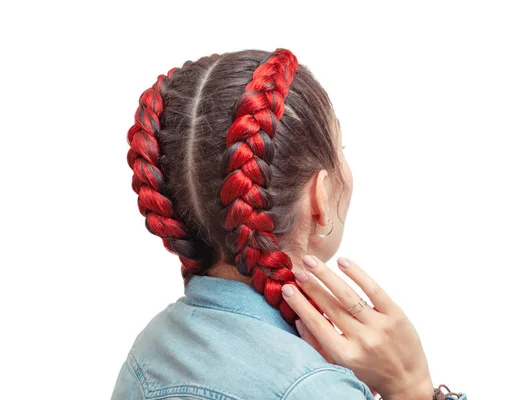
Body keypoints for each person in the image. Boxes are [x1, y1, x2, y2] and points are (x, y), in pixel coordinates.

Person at [111, 48, 466, 400]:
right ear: (320, 198)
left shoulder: (146, 354)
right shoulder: (315, 387)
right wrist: (412, 387)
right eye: (341, 148)